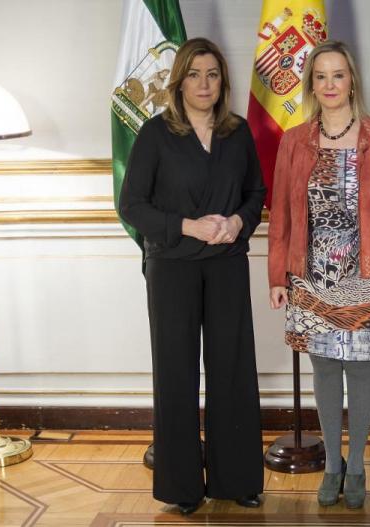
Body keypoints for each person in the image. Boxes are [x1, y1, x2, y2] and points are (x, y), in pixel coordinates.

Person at [119, 37, 265, 516]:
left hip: (225, 265)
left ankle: (237, 479)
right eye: (195, 74)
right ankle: (183, 486)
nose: (204, 84)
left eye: (214, 74)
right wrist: (187, 225)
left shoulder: (237, 132)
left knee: (233, 369)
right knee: (176, 372)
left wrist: (238, 222)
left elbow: (255, 192)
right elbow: (132, 205)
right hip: (172, 268)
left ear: (223, 82)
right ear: (179, 80)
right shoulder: (155, 134)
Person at [268, 40, 370, 509]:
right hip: (311, 277)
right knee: (326, 368)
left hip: (368, 271)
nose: (330, 84)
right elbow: (283, 217)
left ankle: (357, 466)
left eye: (338, 75)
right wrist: (277, 275)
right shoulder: (294, 141)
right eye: (321, 76)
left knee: (361, 367)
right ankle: (332, 464)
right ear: (312, 84)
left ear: (352, 80)